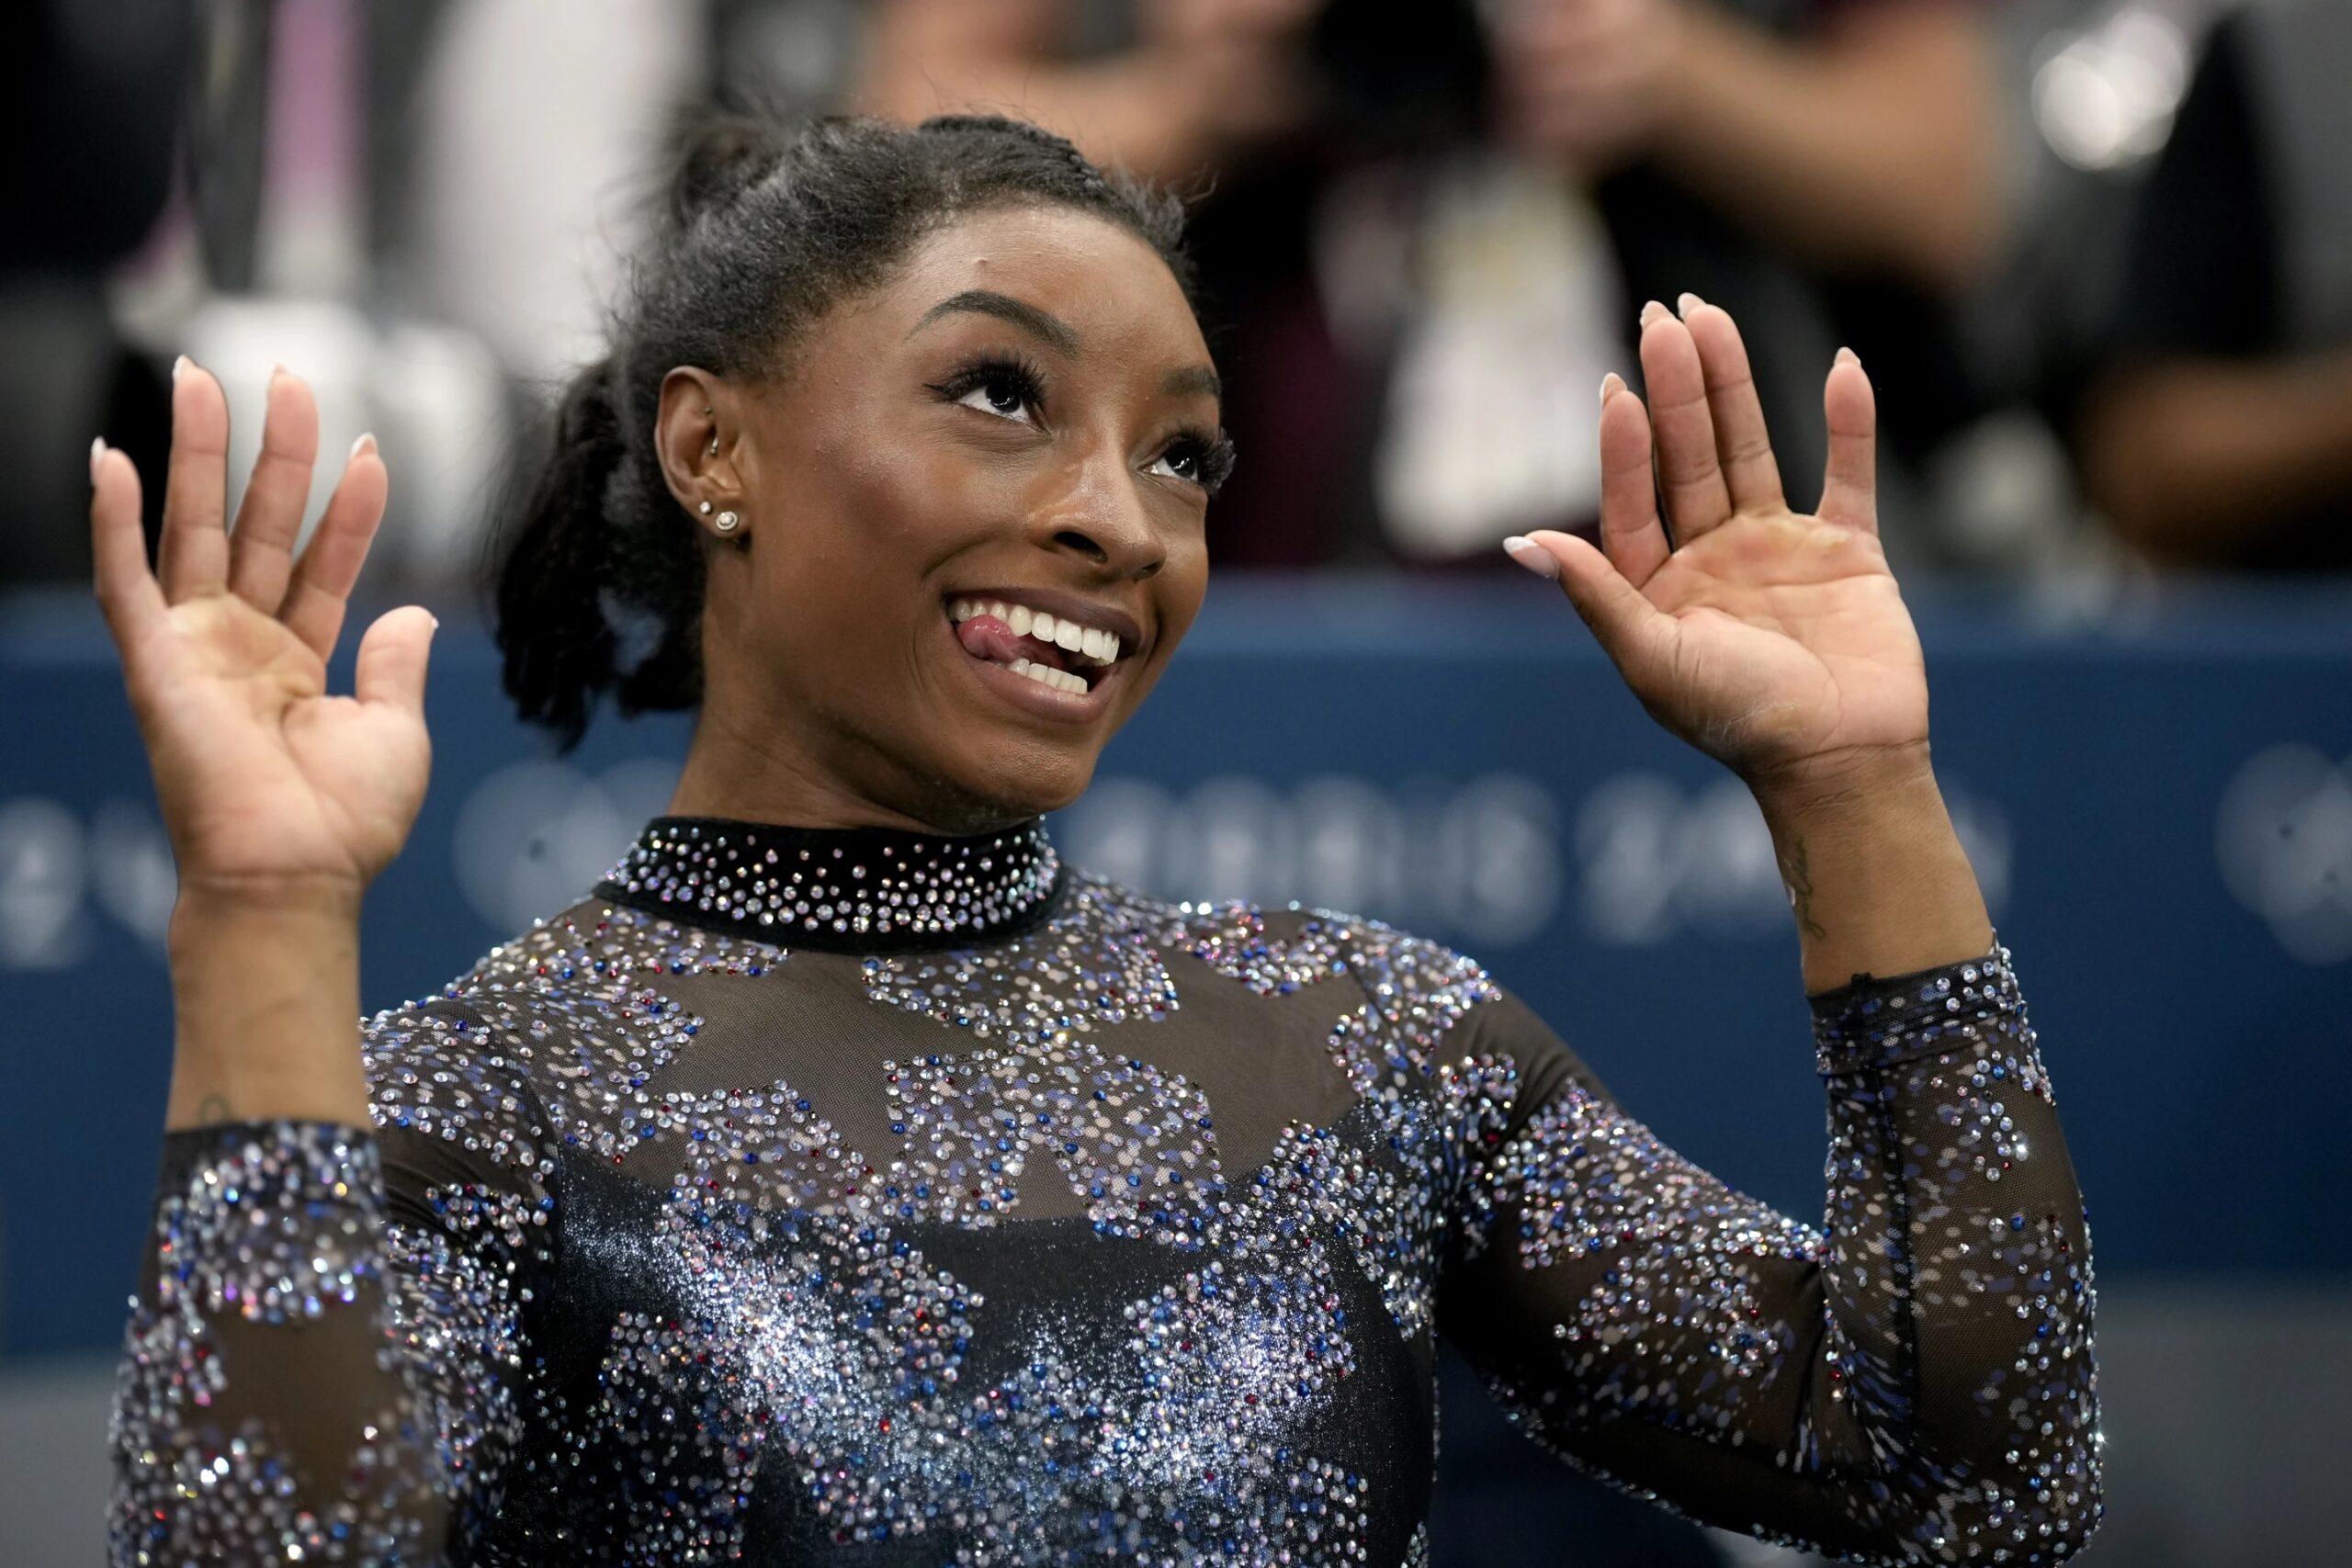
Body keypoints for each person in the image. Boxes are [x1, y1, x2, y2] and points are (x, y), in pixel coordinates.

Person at [94, 113, 2099, 1563]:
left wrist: (1853, 791)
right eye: (997, 394)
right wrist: (263, 918)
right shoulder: (478, 1107)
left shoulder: (1365, 1047)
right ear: (713, 445)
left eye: (1183, 454)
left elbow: (1965, 1470)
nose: (1118, 522)